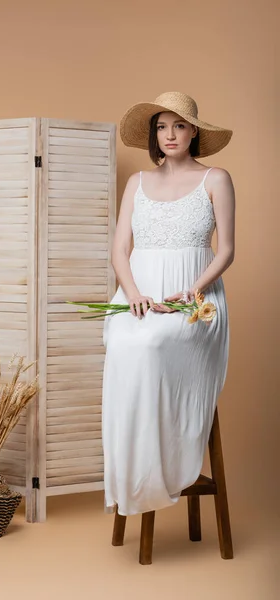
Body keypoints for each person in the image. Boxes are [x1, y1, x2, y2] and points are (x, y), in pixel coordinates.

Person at [102, 91, 235, 516]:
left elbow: (226, 250)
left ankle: (160, 472)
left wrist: (194, 290)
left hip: (196, 302)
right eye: (161, 126)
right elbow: (120, 250)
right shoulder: (136, 182)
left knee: (151, 345)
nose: (169, 134)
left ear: (194, 130)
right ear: (153, 135)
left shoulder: (216, 179)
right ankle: (134, 476)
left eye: (178, 125)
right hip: (137, 296)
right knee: (126, 344)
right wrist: (134, 294)